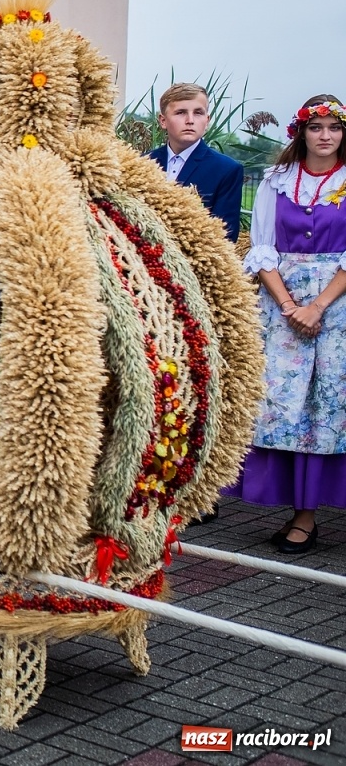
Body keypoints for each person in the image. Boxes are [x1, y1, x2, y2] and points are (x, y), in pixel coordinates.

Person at [229, 94, 346, 554]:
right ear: (301, 133)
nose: (325, 135)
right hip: (282, 304)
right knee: (282, 401)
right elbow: (262, 248)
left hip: (337, 305)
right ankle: (291, 506)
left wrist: (317, 306)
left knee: (326, 404)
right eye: (316, 127)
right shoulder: (276, 181)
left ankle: (307, 516)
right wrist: (288, 305)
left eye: (334, 127)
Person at [149, 81, 244, 242]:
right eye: (180, 112)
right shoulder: (144, 162)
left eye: (198, 113)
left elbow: (225, 236)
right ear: (163, 120)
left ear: (207, 120)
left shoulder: (226, 170)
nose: (190, 120)